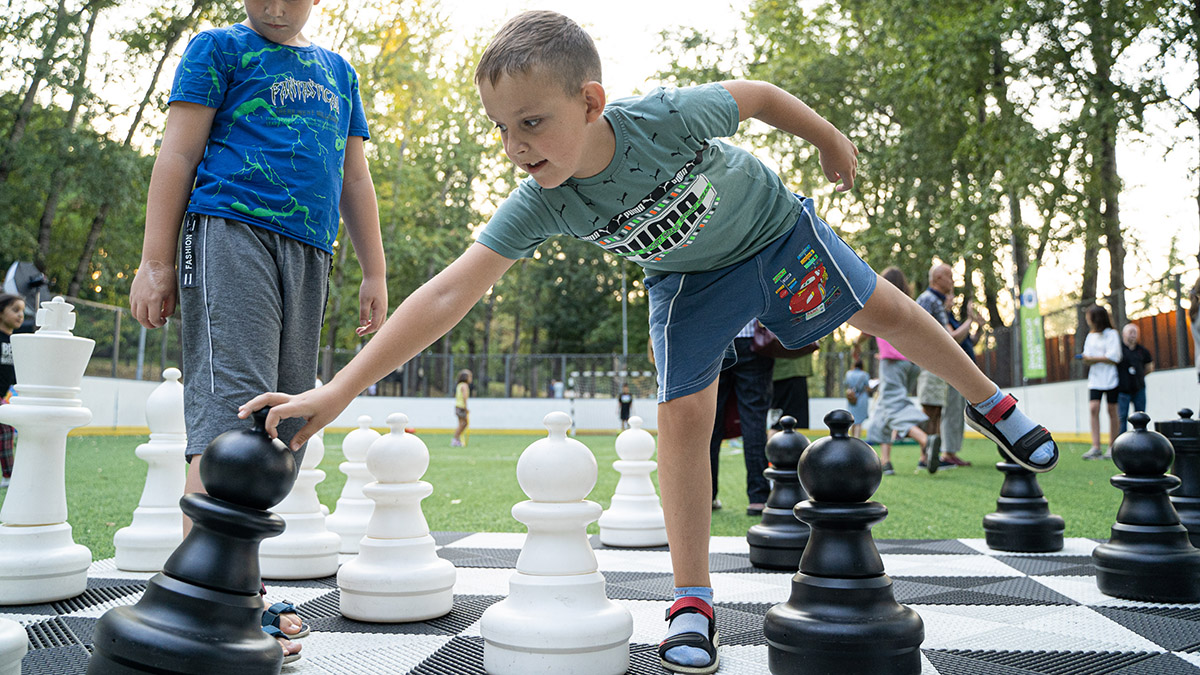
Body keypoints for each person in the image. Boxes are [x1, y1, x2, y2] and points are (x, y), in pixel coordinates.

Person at [239, 12, 1059, 673]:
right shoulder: (543, 201)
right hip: (691, 282)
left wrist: (827, 138)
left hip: (776, 230)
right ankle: (693, 597)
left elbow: (762, 94)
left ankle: (992, 400)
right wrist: (335, 391)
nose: (516, 146)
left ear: (591, 103)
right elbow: (450, 291)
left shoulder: (662, 118)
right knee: (681, 415)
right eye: (500, 128)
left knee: (887, 309)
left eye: (532, 122)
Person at [127, 0, 388, 662]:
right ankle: (211, 600)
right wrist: (155, 261)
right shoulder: (216, 49)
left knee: (282, 426)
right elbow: (177, 153)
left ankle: (238, 587)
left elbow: (355, 176)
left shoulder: (339, 72)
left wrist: (374, 272)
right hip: (227, 232)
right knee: (228, 420)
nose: (275, 6)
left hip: (309, 250)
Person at [858, 268, 940, 475]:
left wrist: (856, 346)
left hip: (892, 363)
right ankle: (885, 463)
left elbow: (866, 330)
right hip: (912, 362)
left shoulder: (880, 301)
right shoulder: (909, 303)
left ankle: (925, 441)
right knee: (884, 407)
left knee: (893, 405)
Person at [708, 320, 773, 518]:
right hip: (753, 340)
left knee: (710, 420)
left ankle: (707, 495)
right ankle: (758, 498)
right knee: (754, 419)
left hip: (715, 339)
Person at [914, 264, 975, 462]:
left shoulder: (938, 302)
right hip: (930, 362)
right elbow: (917, 328)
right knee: (930, 409)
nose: (953, 280)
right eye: (949, 276)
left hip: (938, 364)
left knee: (937, 410)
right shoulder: (928, 299)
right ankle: (925, 457)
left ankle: (933, 455)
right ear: (938, 278)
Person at [941, 292, 984, 466]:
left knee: (958, 413)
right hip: (952, 370)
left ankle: (952, 452)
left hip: (964, 371)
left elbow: (970, 341)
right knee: (951, 412)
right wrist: (970, 320)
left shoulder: (952, 318)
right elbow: (954, 338)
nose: (952, 299)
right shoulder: (942, 317)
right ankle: (947, 453)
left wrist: (979, 327)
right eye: (949, 297)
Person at [1080, 304, 1122, 460]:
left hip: (1111, 379)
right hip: (1095, 379)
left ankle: (1112, 446)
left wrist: (1093, 359)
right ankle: (1096, 446)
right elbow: (1087, 356)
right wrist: (1088, 359)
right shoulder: (1090, 336)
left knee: (1112, 410)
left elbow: (1114, 357)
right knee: (1093, 408)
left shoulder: (1112, 334)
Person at [0, 294, 25, 489]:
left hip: (2, 395)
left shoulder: (15, 341)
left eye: (22, 311)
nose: (20, 315)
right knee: (7, 427)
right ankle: (9, 475)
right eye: (15, 310)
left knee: (7, 428)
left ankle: (9, 475)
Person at [1116, 323, 1153, 435]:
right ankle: (1121, 442)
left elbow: (1149, 367)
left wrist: (1139, 376)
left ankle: (1140, 440)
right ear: (1123, 334)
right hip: (1122, 390)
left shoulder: (1142, 351)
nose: (1133, 335)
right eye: (1130, 332)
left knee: (1140, 417)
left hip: (1139, 388)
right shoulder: (1118, 350)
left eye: (1135, 332)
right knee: (1122, 418)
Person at [769, 349, 813, 432]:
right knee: (780, 426)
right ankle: (771, 445)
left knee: (791, 424)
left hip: (790, 370)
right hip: (788, 370)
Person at [843, 358, 871, 439]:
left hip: (852, 398)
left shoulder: (848, 373)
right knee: (859, 421)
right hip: (861, 397)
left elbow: (846, 384)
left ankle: (851, 438)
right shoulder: (864, 374)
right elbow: (867, 387)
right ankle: (857, 438)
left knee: (853, 419)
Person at [452, 369, 472, 447]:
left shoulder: (459, 385)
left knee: (461, 424)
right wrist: (466, 407)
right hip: (461, 407)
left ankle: (457, 440)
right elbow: (464, 397)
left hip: (458, 406)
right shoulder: (464, 385)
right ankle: (455, 439)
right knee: (463, 424)